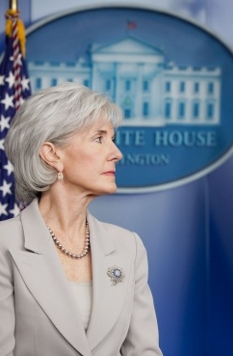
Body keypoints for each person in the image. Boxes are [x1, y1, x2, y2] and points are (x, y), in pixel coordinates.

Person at [0, 83, 163, 355]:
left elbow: (144, 351)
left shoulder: (127, 246)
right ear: (52, 154)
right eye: (99, 138)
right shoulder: (5, 244)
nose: (116, 153)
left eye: (112, 138)